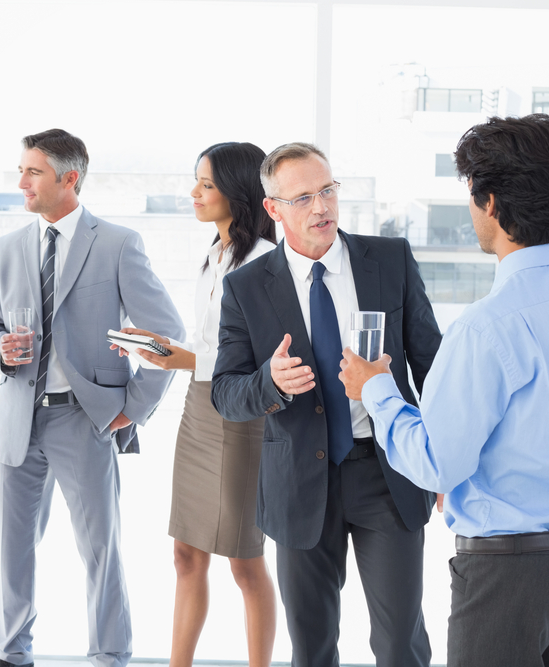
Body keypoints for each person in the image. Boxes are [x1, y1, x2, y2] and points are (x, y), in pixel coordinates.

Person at [338, 114, 549, 667]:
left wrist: (377, 390)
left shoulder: (486, 326)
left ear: (491, 204)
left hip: (504, 577)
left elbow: (436, 465)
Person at [210, 142, 442, 667]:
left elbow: (434, 366)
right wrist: (269, 381)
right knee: (312, 649)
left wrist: (445, 457)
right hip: (298, 483)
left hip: (387, 472)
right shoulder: (245, 287)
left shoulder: (389, 260)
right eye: (304, 198)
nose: (322, 207)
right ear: (273, 209)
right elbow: (225, 392)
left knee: (400, 642)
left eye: (328, 191)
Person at [0, 128, 185, 667]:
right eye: (21, 169)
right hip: (18, 417)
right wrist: (1, 349)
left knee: (100, 551)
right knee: (12, 551)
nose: (21, 181)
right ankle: (11, 654)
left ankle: (109, 656)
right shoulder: (7, 248)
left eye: (33, 172)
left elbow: (163, 335)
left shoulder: (115, 244)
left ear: (69, 179)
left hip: (85, 421)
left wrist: (130, 407)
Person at [110, 142, 277, 667]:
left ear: (239, 190)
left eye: (206, 184)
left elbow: (251, 358)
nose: (195, 193)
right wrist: (155, 346)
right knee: (185, 553)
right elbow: (204, 347)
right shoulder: (214, 253)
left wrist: (170, 355)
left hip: (241, 413)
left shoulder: (267, 262)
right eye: (197, 182)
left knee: (245, 560)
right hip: (198, 410)